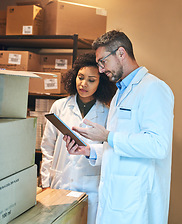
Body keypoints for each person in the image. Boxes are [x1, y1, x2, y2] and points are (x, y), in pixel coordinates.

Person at [64, 30, 174, 224]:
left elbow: (158, 144)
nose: (99, 69)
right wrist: (90, 150)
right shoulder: (119, 94)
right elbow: (122, 145)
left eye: (102, 62)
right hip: (117, 199)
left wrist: (107, 136)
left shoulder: (153, 88)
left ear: (121, 53)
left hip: (137, 204)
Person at [40, 52, 116, 224]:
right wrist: (45, 181)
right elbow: (47, 147)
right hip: (60, 183)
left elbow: (109, 151)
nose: (84, 84)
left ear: (100, 82)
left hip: (91, 188)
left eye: (91, 80)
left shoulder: (106, 113)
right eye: (80, 77)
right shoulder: (59, 106)